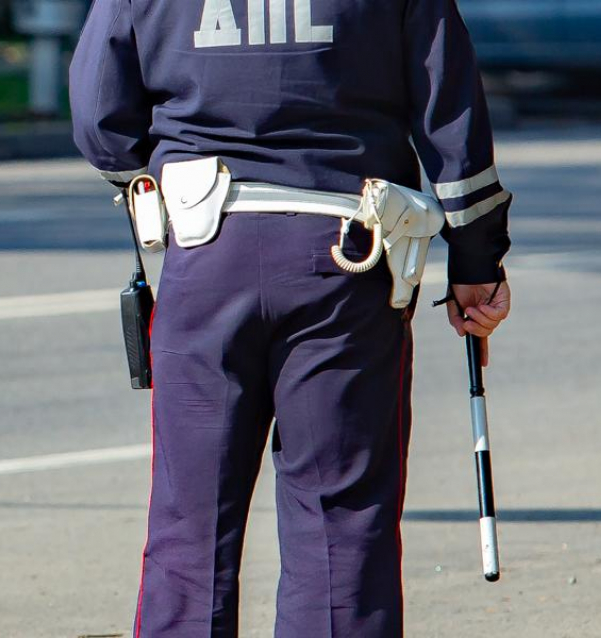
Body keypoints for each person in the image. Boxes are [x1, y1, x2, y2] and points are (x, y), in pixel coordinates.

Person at [69, 0, 512, 636]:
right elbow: (452, 115)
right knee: (340, 522)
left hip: (205, 257)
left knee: (191, 526)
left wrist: (164, 181)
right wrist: (476, 261)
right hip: (349, 260)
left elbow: (98, 120)